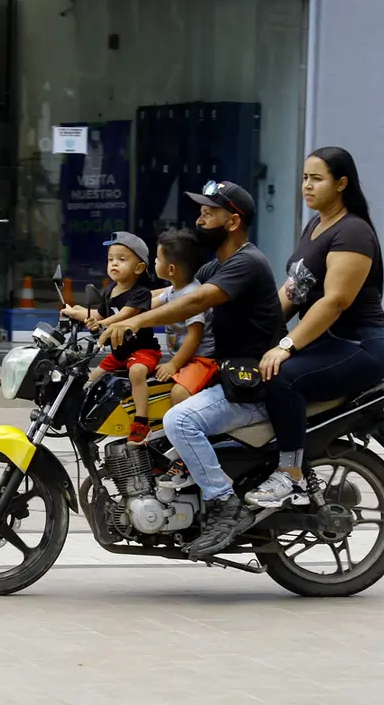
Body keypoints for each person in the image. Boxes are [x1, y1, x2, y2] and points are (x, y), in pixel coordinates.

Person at [100, 180, 286, 558]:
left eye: (208, 212)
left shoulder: (247, 263)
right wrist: (104, 316)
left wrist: (135, 324)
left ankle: (224, 504)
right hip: (231, 378)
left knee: (179, 420)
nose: (199, 219)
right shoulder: (217, 264)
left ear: (232, 222)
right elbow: (166, 295)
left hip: (252, 387)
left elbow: (193, 302)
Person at [246, 146, 384, 508]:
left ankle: (290, 475)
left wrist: (285, 345)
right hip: (329, 340)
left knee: (283, 376)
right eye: (304, 178)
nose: (307, 186)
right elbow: (294, 291)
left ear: (341, 183)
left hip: (361, 345)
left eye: (317, 179)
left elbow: (334, 302)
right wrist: (255, 331)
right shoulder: (316, 225)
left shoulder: (353, 233)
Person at [62, 232, 163, 444]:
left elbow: (125, 315)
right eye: (111, 259)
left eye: (122, 259)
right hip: (120, 353)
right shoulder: (109, 291)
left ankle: (141, 421)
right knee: (92, 377)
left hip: (142, 350)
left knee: (137, 373)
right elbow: (99, 315)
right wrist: (74, 312)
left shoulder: (140, 293)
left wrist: (102, 324)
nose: (114, 263)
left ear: (139, 268)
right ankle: (84, 419)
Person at [151, 227, 217, 409]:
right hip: (185, 358)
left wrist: (173, 365)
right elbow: (150, 304)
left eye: (157, 259)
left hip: (201, 360)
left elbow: (194, 337)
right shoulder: (174, 290)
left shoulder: (191, 296)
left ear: (171, 269)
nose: (154, 262)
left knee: (179, 394)